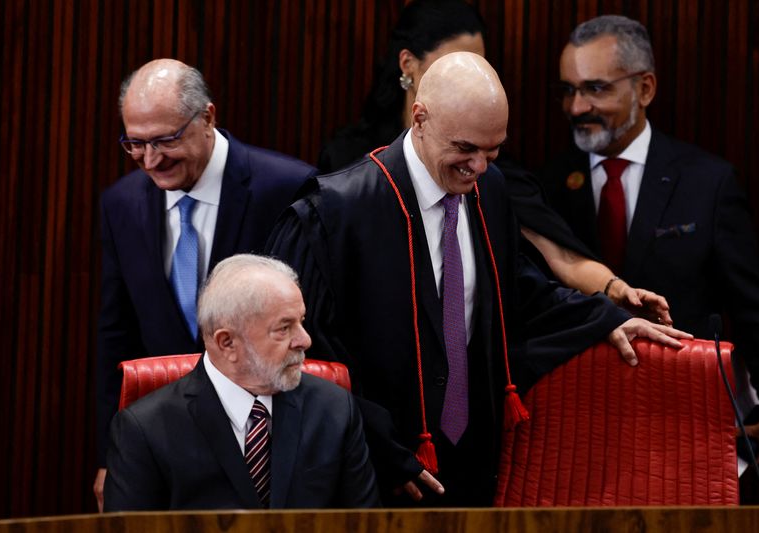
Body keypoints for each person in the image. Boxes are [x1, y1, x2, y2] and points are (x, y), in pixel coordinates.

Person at [267, 51, 691, 506]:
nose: (479, 167)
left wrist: (606, 317)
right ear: (420, 118)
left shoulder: (488, 191)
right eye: (465, 149)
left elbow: (518, 293)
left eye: (493, 151)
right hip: (369, 471)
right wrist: (378, 446)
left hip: (470, 466)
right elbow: (305, 354)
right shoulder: (333, 213)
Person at [318, 0, 671, 324]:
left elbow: (549, 259)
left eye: (479, 65)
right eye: (453, 65)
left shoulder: (489, 177)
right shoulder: (350, 178)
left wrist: (610, 297)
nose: (475, 165)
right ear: (409, 68)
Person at [539, 15, 759, 467]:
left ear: (645, 88)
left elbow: (752, 311)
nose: (576, 107)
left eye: (595, 88)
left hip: (686, 424)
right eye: (568, 90)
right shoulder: (547, 185)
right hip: (580, 427)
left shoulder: (709, 183)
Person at [95, 59, 316, 510]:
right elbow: (115, 336)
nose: (151, 160)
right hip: (161, 445)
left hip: (263, 439)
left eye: (165, 140)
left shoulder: (287, 187)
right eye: (135, 143)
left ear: (208, 118)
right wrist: (109, 455)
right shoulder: (121, 204)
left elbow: (309, 327)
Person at [103, 254, 380, 511]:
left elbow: (366, 526)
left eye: (301, 321)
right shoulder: (143, 430)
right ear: (228, 343)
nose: (305, 340)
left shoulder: (334, 409)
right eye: (284, 328)